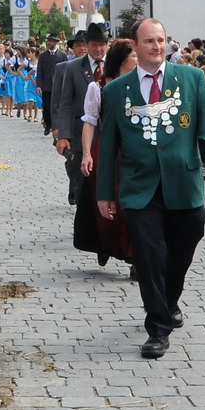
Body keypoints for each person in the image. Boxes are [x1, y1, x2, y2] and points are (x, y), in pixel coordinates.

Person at [95, 18, 205, 359]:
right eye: (149, 41)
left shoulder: (192, 78)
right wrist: (104, 193)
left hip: (183, 183)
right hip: (140, 188)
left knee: (184, 246)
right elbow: (108, 144)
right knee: (150, 256)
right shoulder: (116, 90)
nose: (157, 46)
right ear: (136, 48)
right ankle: (157, 328)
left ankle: (168, 302)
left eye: (161, 40)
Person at [75, 39, 136, 270]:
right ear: (122, 61)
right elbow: (90, 122)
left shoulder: (141, 84)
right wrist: (87, 154)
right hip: (109, 151)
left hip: (134, 151)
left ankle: (135, 257)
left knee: (133, 206)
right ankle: (105, 244)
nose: (138, 61)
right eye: (134, 57)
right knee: (108, 205)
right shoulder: (98, 87)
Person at [50, 29, 98, 206]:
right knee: (75, 166)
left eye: (85, 45)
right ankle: (75, 190)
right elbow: (59, 101)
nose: (83, 48)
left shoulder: (106, 66)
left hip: (97, 129)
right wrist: (58, 128)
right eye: (79, 45)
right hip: (75, 126)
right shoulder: (65, 68)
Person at [36, 36, 68, 136]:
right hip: (47, 86)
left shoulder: (62, 55)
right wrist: (39, 85)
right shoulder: (43, 56)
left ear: (56, 42)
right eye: (48, 41)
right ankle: (48, 124)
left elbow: (67, 70)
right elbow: (39, 71)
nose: (49, 43)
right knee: (46, 106)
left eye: (51, 41)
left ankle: (57, 125)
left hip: (59, 85)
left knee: (58, 106)